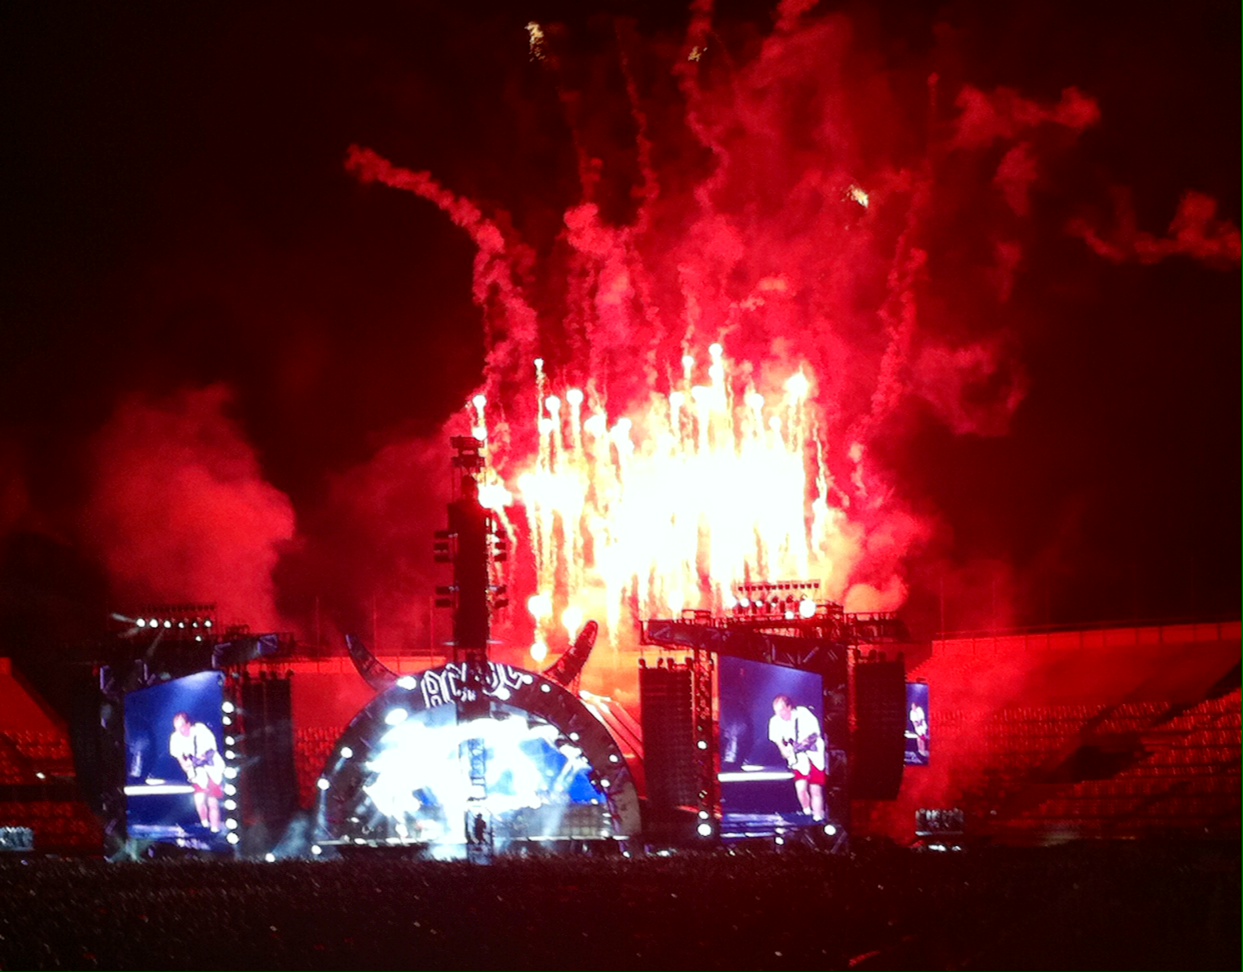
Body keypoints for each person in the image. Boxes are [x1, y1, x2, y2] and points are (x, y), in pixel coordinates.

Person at [768, 694, 827, 822]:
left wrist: (801, 746)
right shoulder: (775, 720)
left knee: (815, 789)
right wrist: (784, 750)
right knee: (800, 789)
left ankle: (818, 817)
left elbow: (814, 735)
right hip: (798, 759)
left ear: (789, 707)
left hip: (814, 755)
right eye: (776, 711)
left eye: (781, 710)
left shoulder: (803, 714)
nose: (779, 714)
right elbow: (777, 739)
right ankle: (807, 811)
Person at [169, 712, 224, 833]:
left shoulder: (201, 730)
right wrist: (185, 765)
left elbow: (210, 750)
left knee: (212, 801)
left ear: (188, 724)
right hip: (197, 772)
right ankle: (205, 825)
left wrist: (200, 758)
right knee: (199, 801)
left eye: (181, 726)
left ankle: (215, 829)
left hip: (211, 768)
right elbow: (178, 756)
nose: (179, 730)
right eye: (176, 727)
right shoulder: (176, 737)